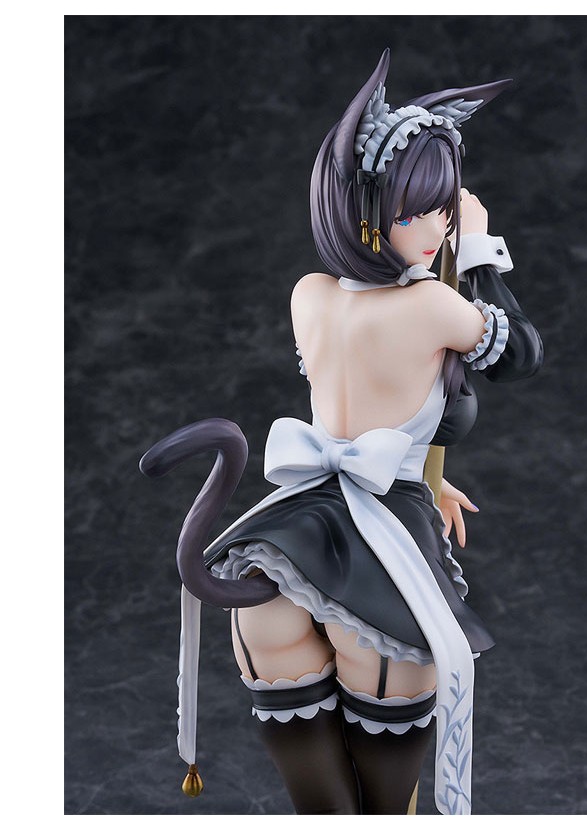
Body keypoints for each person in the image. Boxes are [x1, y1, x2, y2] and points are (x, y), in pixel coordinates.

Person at [140, 48, 543, 816]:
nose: (438, 228)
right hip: (376, 548)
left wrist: (427, 475)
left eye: (446, 211)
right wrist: (480, 248)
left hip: (291, 536)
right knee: (385, 806)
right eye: (419, 210)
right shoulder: (432, 306)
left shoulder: (309, 294)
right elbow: (519, 352)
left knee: (322, 806)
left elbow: (365, 414)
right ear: (367, 212)